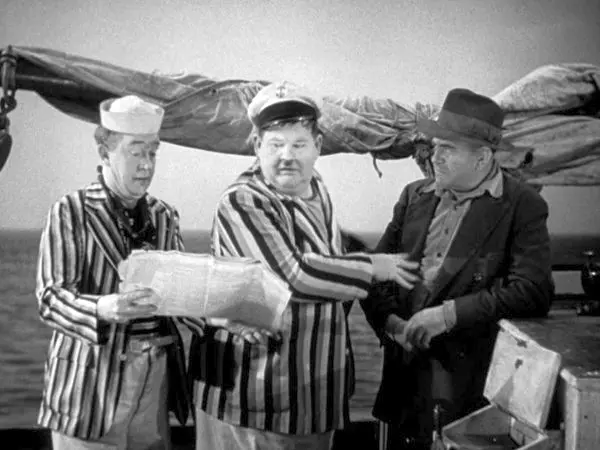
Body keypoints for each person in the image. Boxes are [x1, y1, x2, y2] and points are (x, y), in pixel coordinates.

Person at [186, 81, 420, 450]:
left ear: (318, 147)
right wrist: (373, 266)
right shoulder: (243, 200)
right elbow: (291, 276)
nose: (287, 156)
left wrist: (388, 315)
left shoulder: (317, 189)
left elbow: (330, 256)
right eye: (275, 145)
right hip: (251, 398)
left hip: (314, 399)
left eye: (299, 145)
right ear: (256, 145)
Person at [360, 88, 555, 449]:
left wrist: (447, 316)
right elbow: (374, 273)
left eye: (447, 149)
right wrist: (392, 324)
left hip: (468, 391)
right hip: (405, 384)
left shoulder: (522, 205)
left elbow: (532, 291)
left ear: (482, 158)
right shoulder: (413, 197)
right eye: (434, 146)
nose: (434, 157)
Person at [35, 95, 190, 449]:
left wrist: (224, 315)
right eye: (136, 153)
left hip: (155, 382)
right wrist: (104, 308)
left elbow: (183, 293)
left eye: (152, 153)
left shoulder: (164, 215)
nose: (147, 165)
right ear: (104, 153)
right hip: (90, 389)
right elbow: (50, 300)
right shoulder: (70, 211)